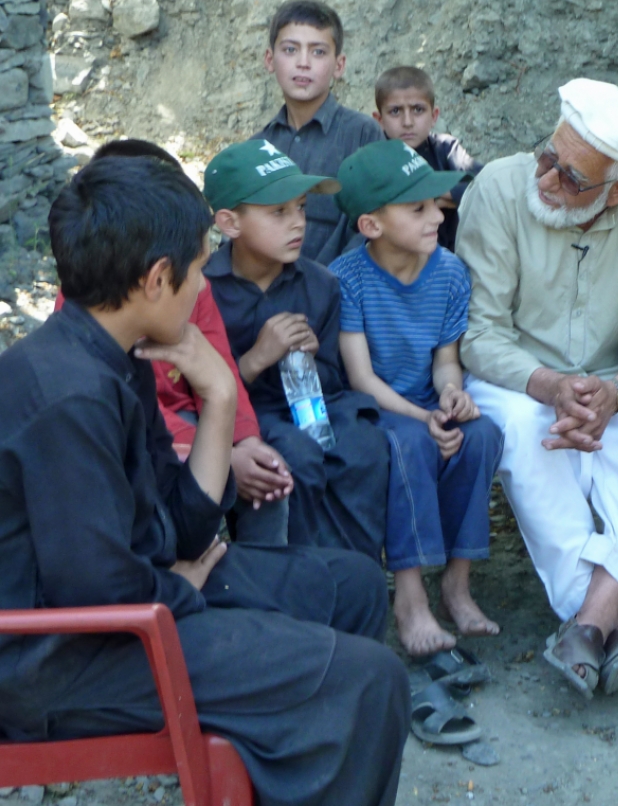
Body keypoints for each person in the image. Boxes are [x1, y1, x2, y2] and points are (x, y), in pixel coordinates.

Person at [0, 156, 409, 806]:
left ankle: (293, 762)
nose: (202, 287)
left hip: (140, 597)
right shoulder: (65, 395)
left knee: (354, 586)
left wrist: (219, 393)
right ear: (157, 278)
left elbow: (185, 524)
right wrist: (179, 590)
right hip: (68, 658)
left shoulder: (122, 357)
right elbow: (98, 589)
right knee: (370, 680)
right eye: (196, 269)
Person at [455, 78, 618, 699]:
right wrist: (549, 384)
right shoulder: (499, 187)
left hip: (612, 382)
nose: (545, 180)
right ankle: (606, 620)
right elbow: (479, 335)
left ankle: (587, 620)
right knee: (515, 423)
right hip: (522, 378)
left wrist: (616, 394)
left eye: (571, 180)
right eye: (547, 159)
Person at [50, 139, 295, 543]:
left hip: (197, 418)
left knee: (268, 480)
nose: (202, 281)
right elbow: (132, 419)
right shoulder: (87, 307)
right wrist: (222, 454)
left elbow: (220, 365)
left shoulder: (189, 285)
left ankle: (259, 568)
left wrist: (245, 439)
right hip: (158, 437)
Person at [330, 139, 503, 657]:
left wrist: (451, 397)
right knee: (408, 444)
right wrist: (422, 417)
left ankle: (457, 581)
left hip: (426, 399)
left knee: (482, 435)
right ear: (372, 226)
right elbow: (361, 379)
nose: (436, 215)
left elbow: (446, 359)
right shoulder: (347, 279)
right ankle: (409, 594)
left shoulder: (449, 271)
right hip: (376, 408)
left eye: (436, 203)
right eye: (418, 208)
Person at [203, 139, 390, 561]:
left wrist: (308, 356)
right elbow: (197, 390)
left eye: (302, 207)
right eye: (279, 212)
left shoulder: (319, 284)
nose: (298, 223)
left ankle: (356, 572)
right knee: (296, 458)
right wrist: (257, 357)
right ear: (230, 223)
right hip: (245, 416)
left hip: (316, 405)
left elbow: (332, 377)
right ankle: (293, 580)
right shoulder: (204, 290)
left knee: (364, 447)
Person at [254, 0, 384, 265]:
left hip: (340, 294)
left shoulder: (362, 135)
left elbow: (373, 227)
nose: (303, 63)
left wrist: (322, 288)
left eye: (318, 52)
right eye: (290, 49)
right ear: (270, 59)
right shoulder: (258, 148)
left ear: (339, 64)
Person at [371, 65, 484, 253]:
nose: (408, 122)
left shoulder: (446, 149)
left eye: (418, 110)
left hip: (451, 257)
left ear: (434, 116)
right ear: (379, 119)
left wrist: (430, 194)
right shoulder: (373, 160)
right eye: (395, 111)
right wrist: (445, 196)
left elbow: (485, 185)